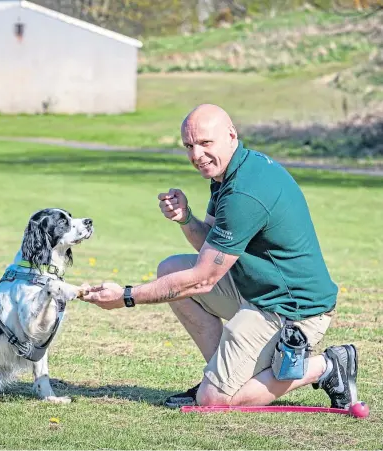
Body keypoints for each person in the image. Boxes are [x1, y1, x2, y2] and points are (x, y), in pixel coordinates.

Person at [80, 103, 358, 409]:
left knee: (213, 400)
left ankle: (329, 366)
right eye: (189, 146)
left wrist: (126, 297)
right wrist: (186, 218)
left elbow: (203, 279)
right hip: (259, 291)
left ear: (231, 135)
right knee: (170, 268)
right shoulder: (230, 173)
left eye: (205, 143)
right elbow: (209, 250)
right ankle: (222, 374)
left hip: (292, 309)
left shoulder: (244, 192)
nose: (196, 155)